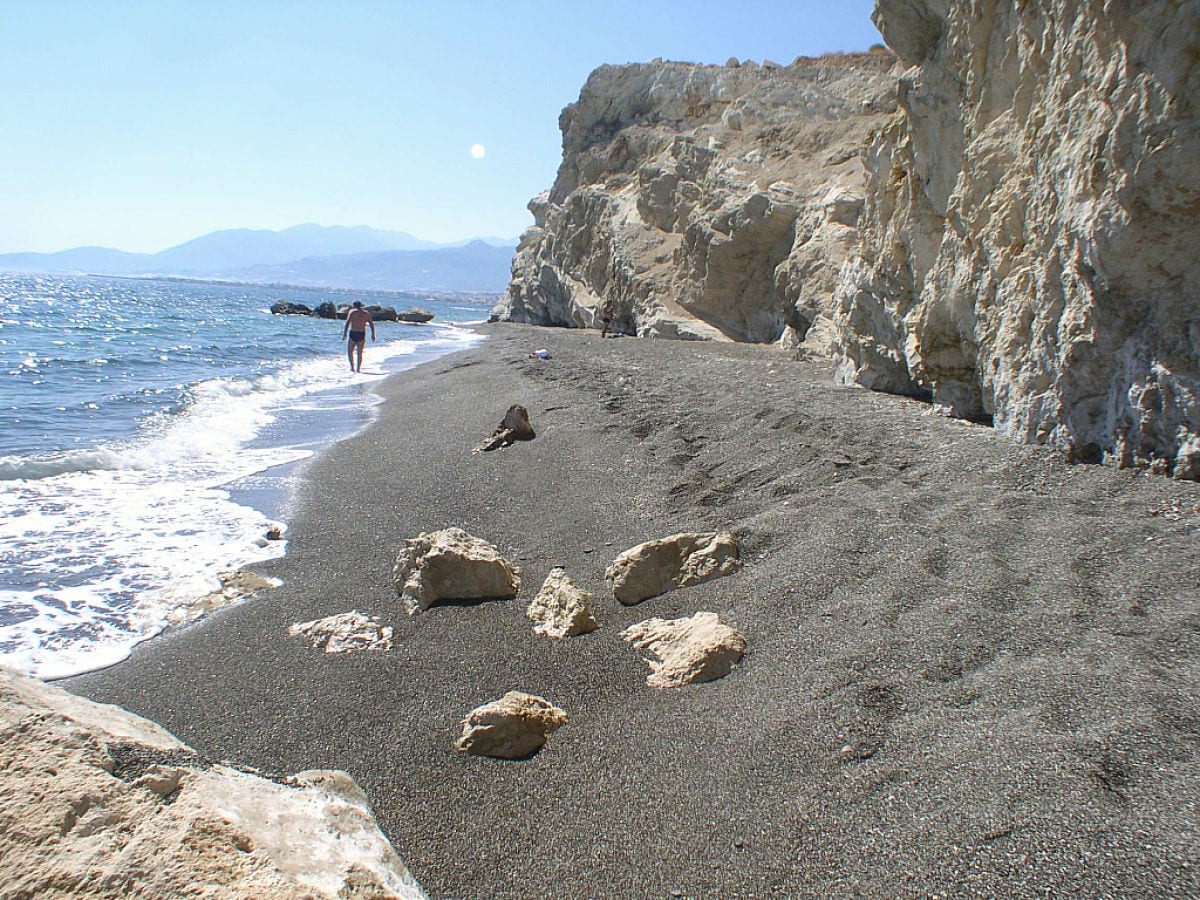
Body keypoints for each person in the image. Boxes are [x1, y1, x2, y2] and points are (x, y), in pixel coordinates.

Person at [342, 301, 375, 372]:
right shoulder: (366, 314)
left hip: (353, 333)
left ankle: (352, 367)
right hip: (361, 333)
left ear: (354, 306)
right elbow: (371, 324)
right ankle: (358, 369)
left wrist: (345, 333)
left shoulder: (352, 312)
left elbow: (347, 323)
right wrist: (373, 334)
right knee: (359, 353)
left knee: (350, 351)